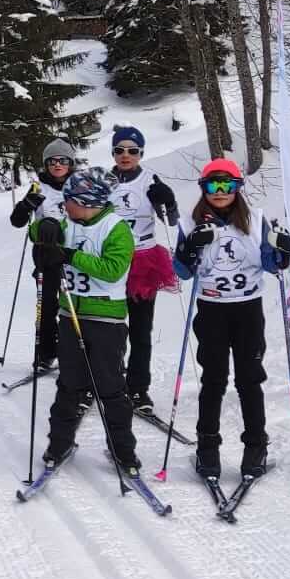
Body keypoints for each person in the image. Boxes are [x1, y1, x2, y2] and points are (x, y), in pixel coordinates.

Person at [172, 159, 290, 483]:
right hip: (212, 310)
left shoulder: (254, 220)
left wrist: (282, 251)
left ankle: (255, 449)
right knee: (214, 381)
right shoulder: (189, 223)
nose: (221, 192)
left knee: (249, 380)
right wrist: (190, 248)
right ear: (204, 189)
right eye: (214, 185)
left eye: (227, 185)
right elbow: (182, 272)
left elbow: (272, 265)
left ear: (238, 188)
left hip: (247, 311)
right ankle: (207, 451)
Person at [31, 166, 144, 474]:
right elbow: (37, 233)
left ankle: (123, 452)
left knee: (110, 388)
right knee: (68, 385)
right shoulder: (69, 222)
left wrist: (69, 256)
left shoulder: (115, 228)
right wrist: (47, 227)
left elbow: (112, 269)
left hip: (106, 319)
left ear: (88, 202)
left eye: (70, 200)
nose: (65, 205)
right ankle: (59, 444)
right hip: (70, 315)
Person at [106, 125, 179, 412]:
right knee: (109, 329)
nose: (126, 155)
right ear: (113, 152)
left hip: (144, 259)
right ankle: (110, 381)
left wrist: (168, 199)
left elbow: (171, 221)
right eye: (120, 150)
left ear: (141, 153)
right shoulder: (102, 180)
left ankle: (138, 389)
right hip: (111, 259)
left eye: (132, 151)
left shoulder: (150, 179)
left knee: (140, 329)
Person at [10, 139, 78, 373]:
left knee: (72, 306)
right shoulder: (39, 186)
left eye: (63, 160)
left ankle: (72, 352)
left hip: (73, 253)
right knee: (47, 306)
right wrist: (27, 204)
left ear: (71, 163)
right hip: (45, 252)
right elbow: (17, 221)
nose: (57, 165)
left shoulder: (79, 185)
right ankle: (45, 354)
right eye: (52, 161)